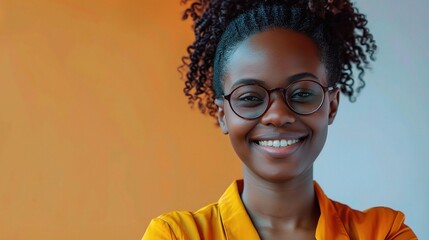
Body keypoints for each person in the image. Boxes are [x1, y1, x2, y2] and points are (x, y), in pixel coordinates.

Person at [143, 0, 417, 239]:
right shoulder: (176, 235)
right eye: (250, 97)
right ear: (222, 115)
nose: (277, 115)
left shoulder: (384, 233)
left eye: (301, 93)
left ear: (331, 105)